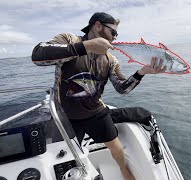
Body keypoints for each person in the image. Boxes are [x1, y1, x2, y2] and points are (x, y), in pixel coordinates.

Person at [32, 12, 166, 180]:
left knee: (117, 148)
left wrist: (142, 72)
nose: (115, 38)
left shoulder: (111, 60)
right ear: (97, 26)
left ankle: (124, 171)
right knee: (64, 159)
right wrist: (85, 47)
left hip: (96, 112)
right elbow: (37, 55)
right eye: (113, 33)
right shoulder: (69, 40)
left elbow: (122, 88)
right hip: (66, 117)